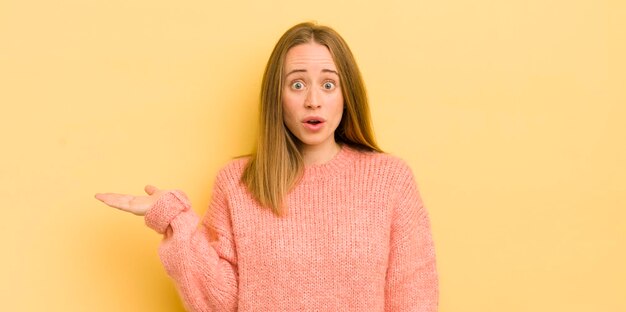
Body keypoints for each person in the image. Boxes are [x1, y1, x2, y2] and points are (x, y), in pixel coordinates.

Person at [95, 22, 438, 311]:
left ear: (347, 95)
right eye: (297, 84)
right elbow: (220, 302)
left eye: (328, 84)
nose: (313, 100)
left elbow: (414, 298)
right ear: (278, 95)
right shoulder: (238, 183)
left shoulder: (389, 180)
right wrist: (173, 218)